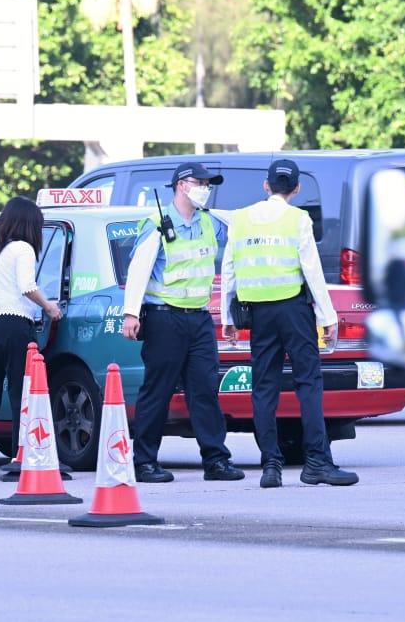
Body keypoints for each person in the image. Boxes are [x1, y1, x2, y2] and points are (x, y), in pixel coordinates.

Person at [221, 158, 358, 489]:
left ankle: (270, 464)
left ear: (266, 185)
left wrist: (227, 316)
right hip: (294, 310)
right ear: (296, 188)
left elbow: (230, 270)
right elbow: (311, 270)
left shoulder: (239, 219)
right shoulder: (298, 219)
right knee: (308, 383)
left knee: (264, 388)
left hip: (258, 315)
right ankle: (317, 463)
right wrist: (327, 318)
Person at [122, 163, 245, 484]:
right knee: (157, 391)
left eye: (208, 183)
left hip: (199, 319)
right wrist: (131, 312)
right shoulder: (157, 224)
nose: (205, 187)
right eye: (199, 182)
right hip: (165, 318)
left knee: (204, 390)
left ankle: (216, 460)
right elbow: (139, 268)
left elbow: (245, 222)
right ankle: (145, 462)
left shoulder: (209, 222)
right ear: (180, 185)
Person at [0, 197, 62, 477]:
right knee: (20, 390)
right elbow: (27, 287)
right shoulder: (23, 249)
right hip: (13, 323)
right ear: (29, 224)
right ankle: (20, 455)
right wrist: (49, 307)